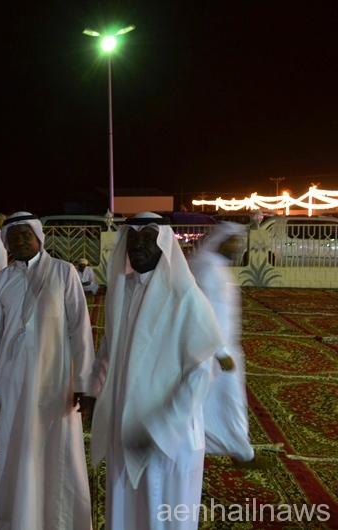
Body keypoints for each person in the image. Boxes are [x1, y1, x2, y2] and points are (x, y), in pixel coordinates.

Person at [89, 212, 224, 530]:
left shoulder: (184, 296)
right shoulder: (122, 290)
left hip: (169, 436)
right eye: (133, 239)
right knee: (126, 513)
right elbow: (110, 347)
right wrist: (95, 388)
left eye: (148, 239)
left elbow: (201, 372)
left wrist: (162, 429)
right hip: (126, 426)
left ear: (164, 245)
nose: (138, 246)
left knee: (164, 515)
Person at [0, 211, 95, 530]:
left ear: (38, 238)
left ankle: (62, 521)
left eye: (25, 234)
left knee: (59, 450)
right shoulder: (1, 281)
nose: (19, 240)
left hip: (56, 379)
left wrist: (84, 382)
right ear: (6, 242)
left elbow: (80, 329)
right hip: (12, 380)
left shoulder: (63, 272)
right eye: (13, 236)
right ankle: (20, 519)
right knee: (16, 449)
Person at [190, 222, 260, 465]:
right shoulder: (208, 269)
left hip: (224, 350)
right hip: (214, 351)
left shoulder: (217, 268)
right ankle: (242, 452)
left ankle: (220, 445)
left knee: (216, 401)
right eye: (233, 241)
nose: (238, 247)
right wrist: (220, 352)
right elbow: (204, 314)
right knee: (227, 401)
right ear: (221, 241)